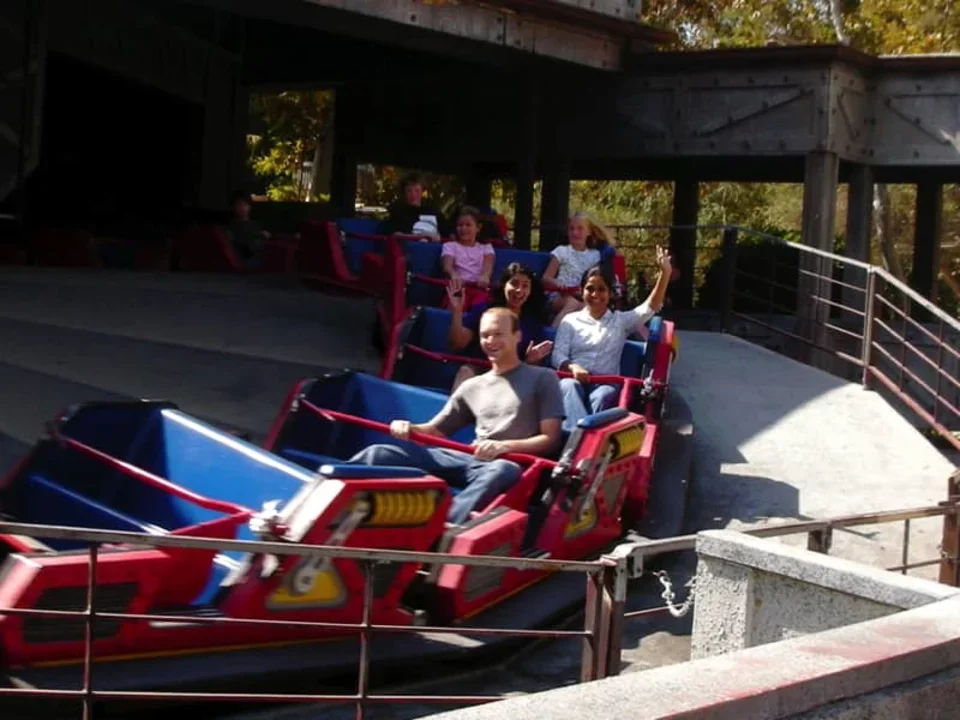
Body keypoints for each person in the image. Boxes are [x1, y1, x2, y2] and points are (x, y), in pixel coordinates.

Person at [348, 307, 564, 525]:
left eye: (498, 334)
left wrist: (504, 446)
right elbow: (434, 431)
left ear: (517, 336)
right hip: (466, 456)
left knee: (502, 470)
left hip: (504, 463)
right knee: (380, 453)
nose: (491, 340)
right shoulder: (472, 386)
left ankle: (443, 530)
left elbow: (549, 438)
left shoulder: (543, 378)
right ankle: (326, 502)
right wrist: (409, 427)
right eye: (485, 335)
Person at [552, 246, 673, 431]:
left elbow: (651, 306)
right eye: (590, 289)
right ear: (582, 291)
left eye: (601, 289)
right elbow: (558, 355)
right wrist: (573, 367)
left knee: (602, 396)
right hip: (574, 379)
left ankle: (583, 443)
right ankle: (575, 440)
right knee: (567, 386)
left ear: (609, 294)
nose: (595, 295)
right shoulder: (570, 321)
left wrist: (664, 274)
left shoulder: (621, 321)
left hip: (604, 383)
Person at [446, 263, 553, 388]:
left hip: (511, 378)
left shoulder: (533, 322)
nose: (519, 290)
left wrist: (530, 361)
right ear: (503, 285)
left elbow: (532, 370)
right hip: (479, 371)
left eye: (525, 286)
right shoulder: (484, 310)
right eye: (514, 283)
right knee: (465, 372)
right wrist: (457, 311)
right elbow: (457, 344)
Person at [542, 212, 616, 328]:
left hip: (581, 295)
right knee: (572, 303)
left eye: (580, 229)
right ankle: (552, 335)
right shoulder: (561, 251)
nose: (575, 233)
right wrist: (558, 284)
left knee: (589, 308)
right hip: (558, 295)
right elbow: (546, 278)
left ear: (589, 232)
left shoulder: (595, 255)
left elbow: (595, 279)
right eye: (571, 229)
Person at [440, 206, 496, 309]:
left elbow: (488, 265)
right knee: (454, 304)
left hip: (478, 289)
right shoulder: (450, 246)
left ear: (478, 228)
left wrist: (485, 276)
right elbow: (447, 266)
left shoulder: (486, 248)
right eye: (460, 225)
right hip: (458, 288)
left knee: (482, 307)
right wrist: (453, 274)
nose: (463, 229)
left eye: (468, 225)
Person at [383, 172, 450, 238]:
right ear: (404, 193)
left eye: (417, 191)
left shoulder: (433, 211)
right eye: (409, 191)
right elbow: (395, 235)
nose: (413, 195)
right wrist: (418, 237)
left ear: (422, 192)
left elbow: (447, 233)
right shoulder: (398, 212)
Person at [225, 191, 270, 269]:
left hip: (261, 256)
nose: (243, 208)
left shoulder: (256, 224)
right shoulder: (232, 225)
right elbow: (238, 242)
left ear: (250, 206)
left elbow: (269, 236)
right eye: (239, 205)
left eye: (245, 205)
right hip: (245, 259)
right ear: (233, 207)